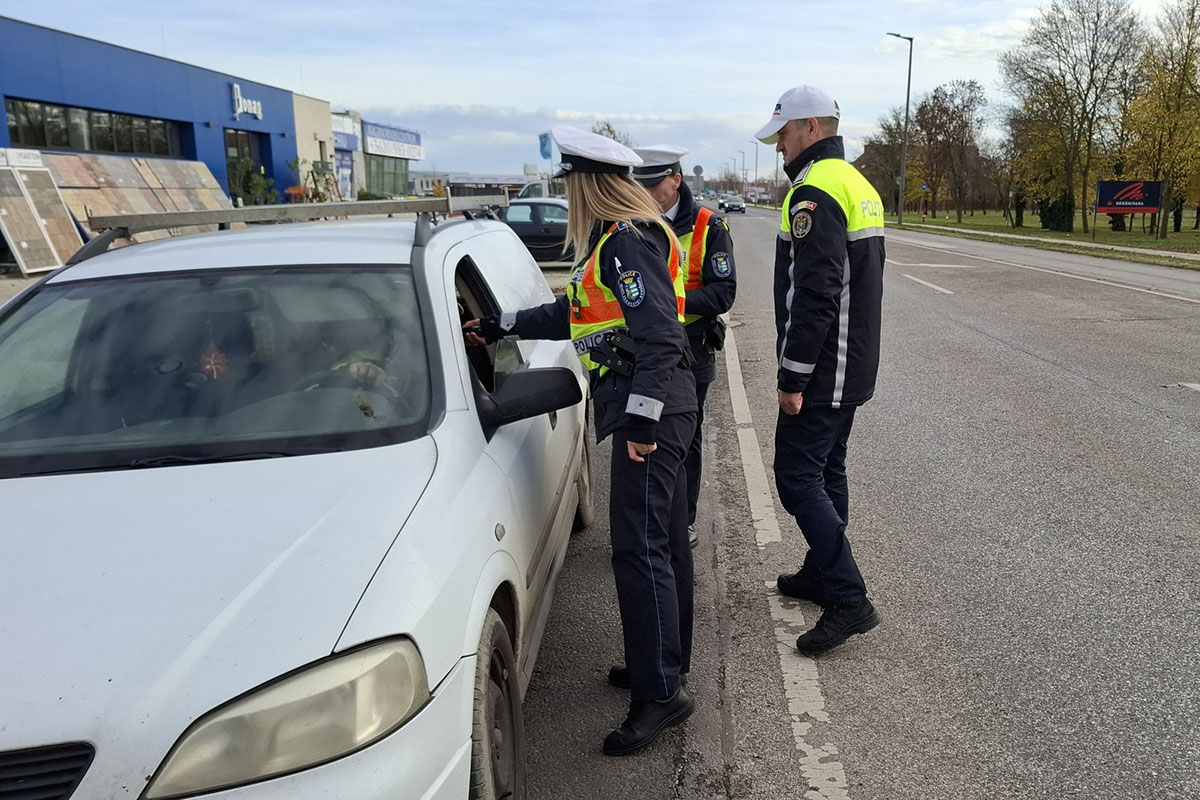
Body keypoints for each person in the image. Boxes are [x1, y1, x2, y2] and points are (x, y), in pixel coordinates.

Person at [464, 125, 698, 755]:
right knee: (666, 545)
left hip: (651, 412)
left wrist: (643, 425)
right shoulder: (626, 240)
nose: (568, 196)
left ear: (588, 186)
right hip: (666, 405)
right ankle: (663, 667)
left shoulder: (626, 243)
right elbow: (576, 311)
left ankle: (659, 695)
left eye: (571, 184)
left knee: (640, 552)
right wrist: (499, 323)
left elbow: (659, 338)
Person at [753, 86, 886, 655]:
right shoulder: (855, 181)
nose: (779, 146)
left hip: (825, 367)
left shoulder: (815, 191)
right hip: (852, 362)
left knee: (796, 476)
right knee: (828, 468)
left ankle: (848, 598)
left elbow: (816, 294)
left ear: (809, 128)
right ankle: (819, 572)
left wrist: (792, 377)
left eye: (782, 133)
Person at [633, 145, 736, 549]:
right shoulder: (630, 222)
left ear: (676, 180)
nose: (646, 194)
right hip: (642, 351)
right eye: (639, 185)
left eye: (653, 185)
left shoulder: (710, 226)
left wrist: (665, 303)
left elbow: (723, 293)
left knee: (685, 441)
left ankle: (683, 523)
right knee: (641, 436)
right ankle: (648, 521)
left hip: (691, 350)